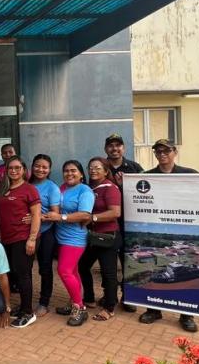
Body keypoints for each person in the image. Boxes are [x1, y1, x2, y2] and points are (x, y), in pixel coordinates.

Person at [138, 139, 199, 333]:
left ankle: (186, 315)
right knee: (155, 270)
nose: (162, 154)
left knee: (184, 271)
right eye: (158, 151)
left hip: (184, 232)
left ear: (175, 152)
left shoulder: (190, 174)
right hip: (157, 234)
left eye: (166, 150)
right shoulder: (146, 177)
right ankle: (154, 310)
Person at [41, 160, 94, 327]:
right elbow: (54, 209)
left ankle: (80, 308)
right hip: (60, 236)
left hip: (75, 238)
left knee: (63, 270)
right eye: (66, 171)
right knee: (73, 271)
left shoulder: (85, 190)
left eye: (73, 171)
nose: (69, 174)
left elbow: (85, 215)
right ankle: (74, 302)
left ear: (81, 174)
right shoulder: (62, 188)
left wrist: (61, 218)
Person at [0, 155, 41, 327]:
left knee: (23, 276)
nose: (13, 171)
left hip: (23, 237)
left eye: (17, 168)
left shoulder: (29, 189)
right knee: (15, 274)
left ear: (24, 170)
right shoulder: (5, 188)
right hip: (7, 239)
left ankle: (28, 312)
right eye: (10, 168)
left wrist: (32, 238)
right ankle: (22, 307)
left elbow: (36, 215)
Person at [103, 132, 143, 313]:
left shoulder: (134, 168)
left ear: (123, 148)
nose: (114, 148)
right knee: (107, 262)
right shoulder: (100, 167)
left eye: (118, 145)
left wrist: (122, 186)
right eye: (111, 145)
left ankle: (128, 296)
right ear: (106, 149)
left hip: (129, 223)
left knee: (127, 260)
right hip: (106, 224)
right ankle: (109, 294)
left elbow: (145, 193)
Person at [78, 157, 122, 321]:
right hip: (93, 237)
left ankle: (109, 307)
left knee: (108, 272)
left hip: (108, 236)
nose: (93, 170)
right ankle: (89, 298)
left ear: (106, 170)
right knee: (82, 266)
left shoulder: (110, 188)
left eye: (97, 167)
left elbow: (115, 212)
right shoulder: (90, 188)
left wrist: (93, 218)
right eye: (90, 167)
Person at [29, 154, 61, 317]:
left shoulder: (52, 187)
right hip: (26, 233)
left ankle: (44, 302)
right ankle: (25, 301)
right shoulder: (26, 184)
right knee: (25, 268)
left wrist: (36, 217)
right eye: (37, 165)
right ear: (32, 166)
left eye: (44, 167)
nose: (40, 169)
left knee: (45, 268)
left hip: (46, 233)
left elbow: (55, 214)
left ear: (49, 169)